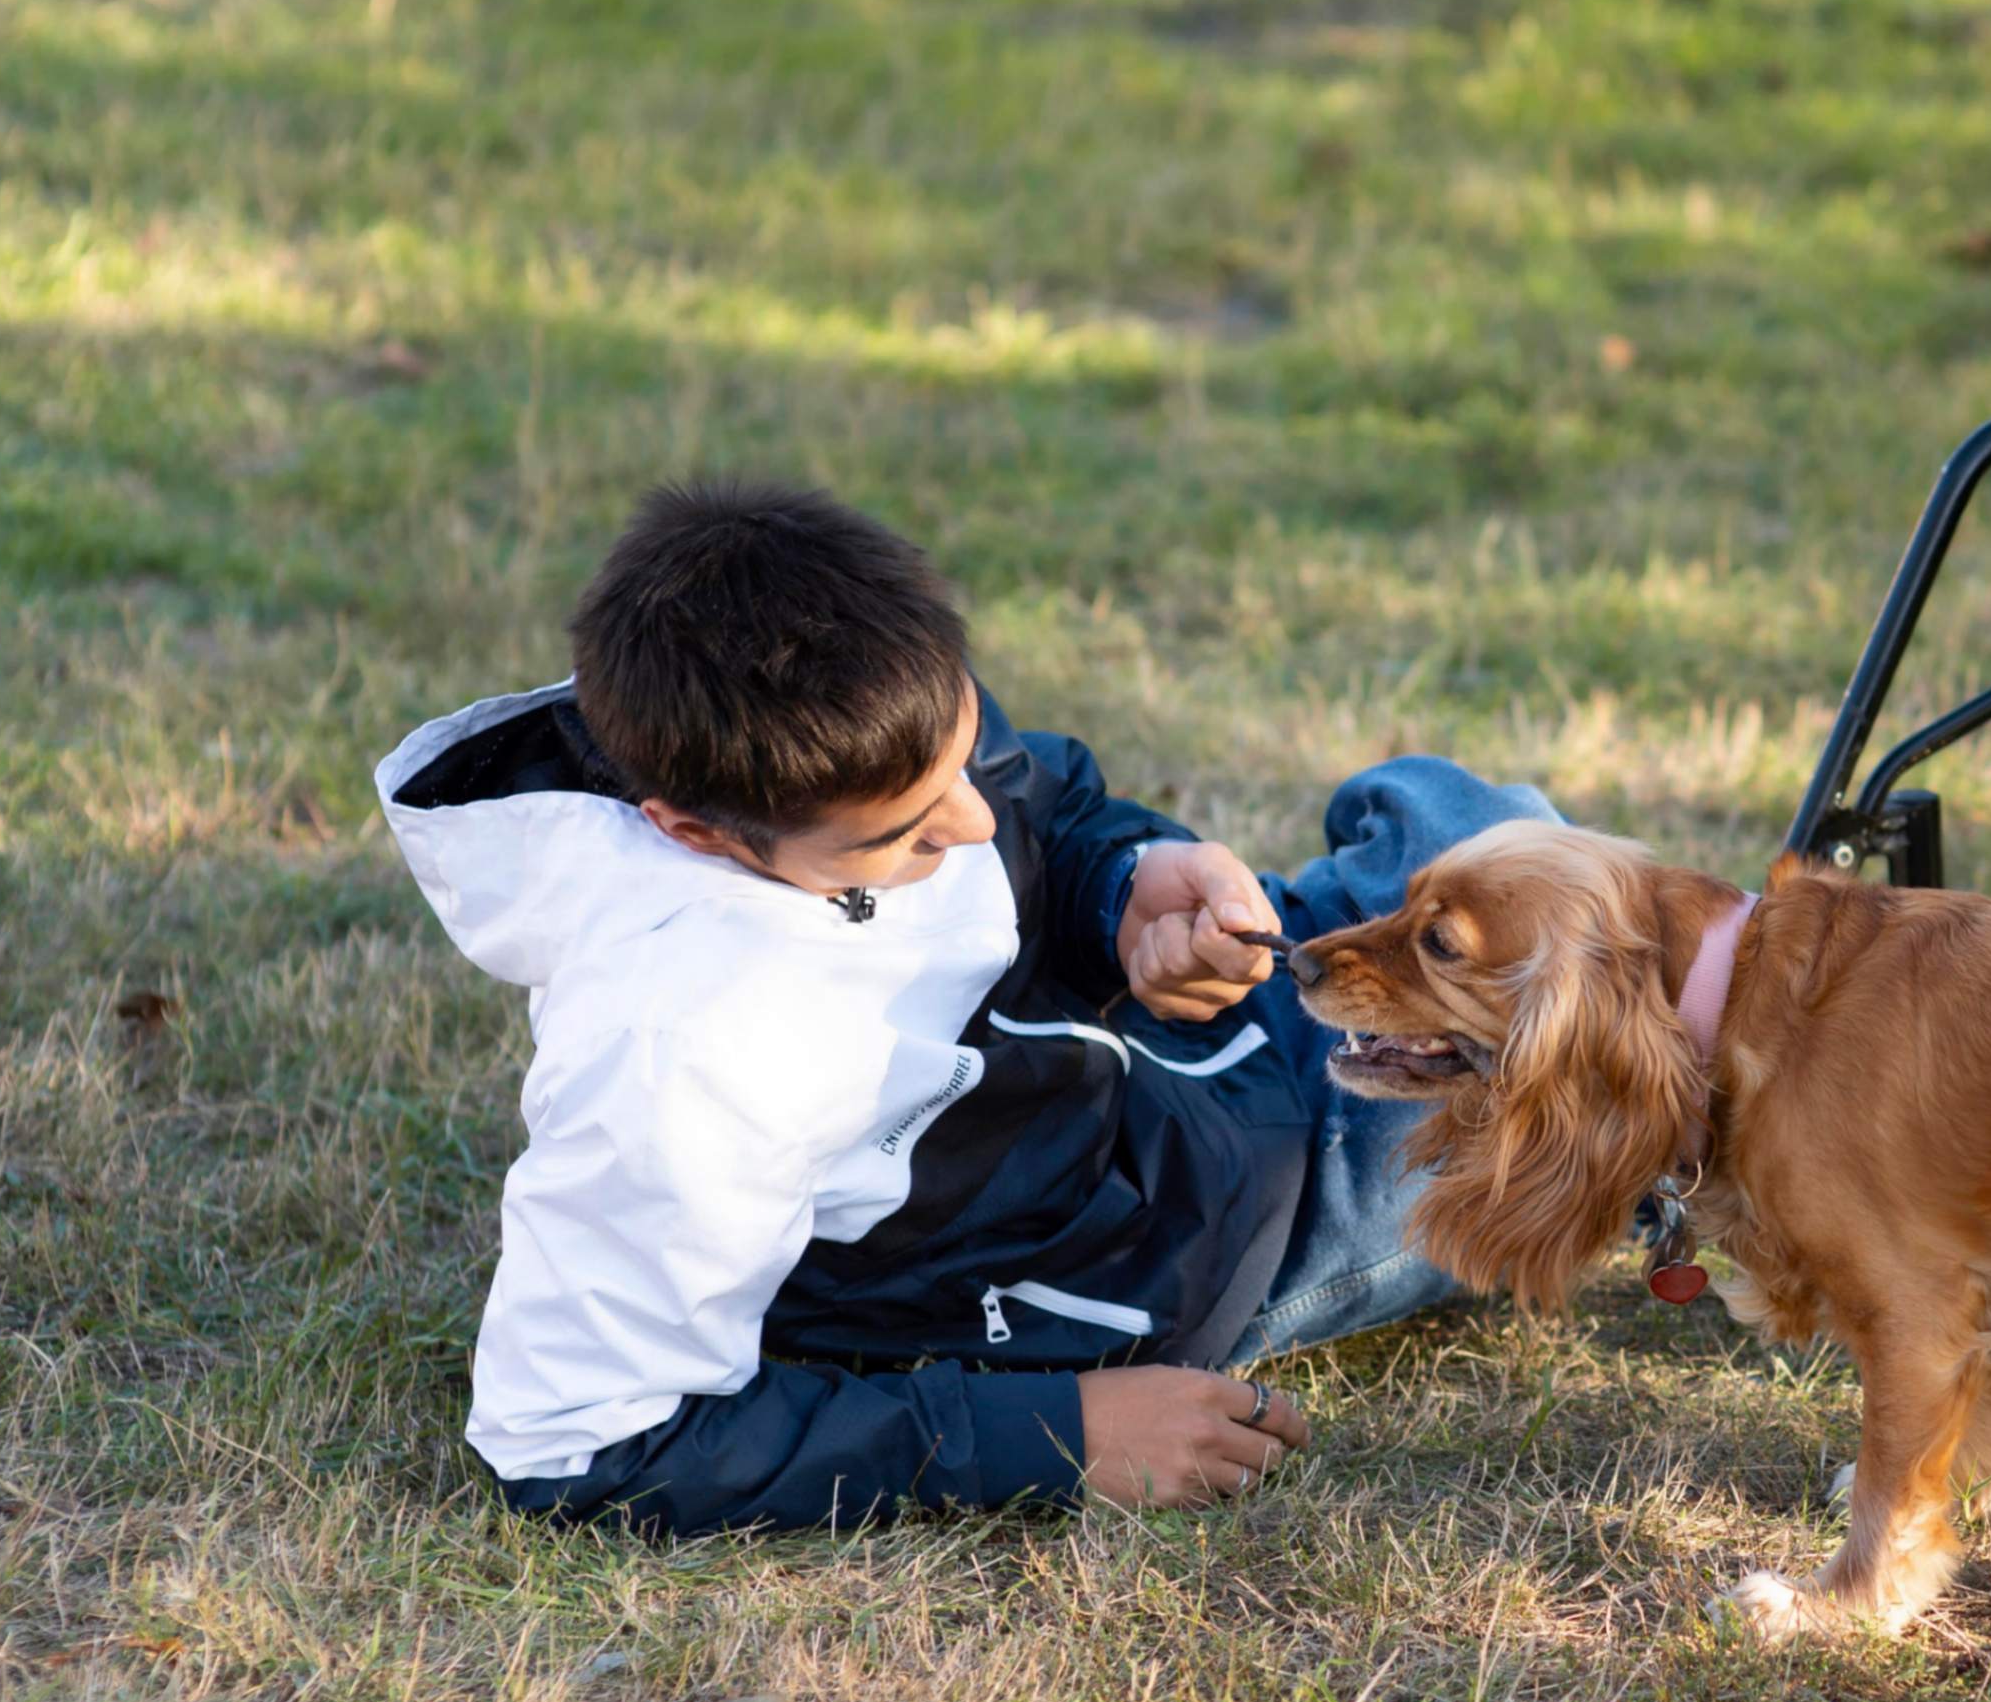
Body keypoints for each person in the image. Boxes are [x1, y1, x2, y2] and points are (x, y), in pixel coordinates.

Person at [373, 479, 1553, 1534]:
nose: (970, 826)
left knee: (1470, 824)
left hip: (1181, 1054)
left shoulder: (859, 703)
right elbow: (576, 1444)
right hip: (1188, 1248)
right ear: (693, 833)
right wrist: (1063, 1432)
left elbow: (1043, 807)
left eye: (959, 753)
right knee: (1565, 1052)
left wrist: (1130, 888)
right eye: (901, 835)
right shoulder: (679, 1052)